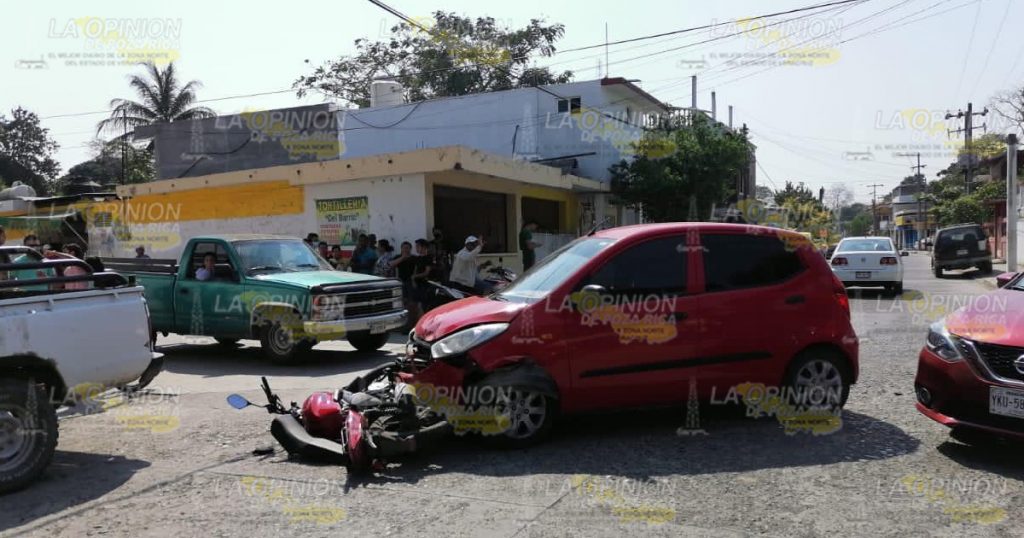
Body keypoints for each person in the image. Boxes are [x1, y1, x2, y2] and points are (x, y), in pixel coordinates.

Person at [411, 239, 435, 314]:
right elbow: (415, 270)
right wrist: (413, 280)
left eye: (418, 246)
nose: (416, 248)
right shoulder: (417, 258)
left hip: (425, 285)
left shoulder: (429, 258)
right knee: (417, 305)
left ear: (424, 247)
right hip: (418, 284)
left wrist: (415, 277)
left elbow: (426, 272)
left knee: (425, 306)